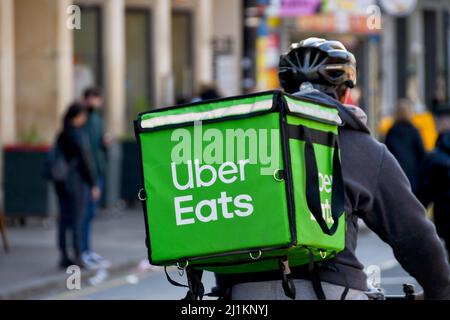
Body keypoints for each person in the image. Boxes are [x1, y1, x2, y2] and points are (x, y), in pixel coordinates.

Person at [216, 38, 450, 300]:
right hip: (330, 288)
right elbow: (413, 234)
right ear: (345, 93)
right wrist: (439, 290)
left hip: (241, 293)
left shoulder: (250, 144)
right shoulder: (361, 147)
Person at [54, 103, 100, 268]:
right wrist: (93, 183)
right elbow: (86, 161)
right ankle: (78, 255)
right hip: (76, 181)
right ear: (78, 116)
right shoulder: (79, 134)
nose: (85, 118)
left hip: (60, 181)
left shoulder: (62, 134)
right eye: (83, 115)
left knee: (64, 219)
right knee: (78, 219)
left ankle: (64, 255)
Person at [81, 87, 111, 269]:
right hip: (87, 175)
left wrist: (106, 142)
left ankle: (87, 250)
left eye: (98, 98)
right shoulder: (84, 119)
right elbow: (87, 152)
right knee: (85, 214)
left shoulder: (97, 119)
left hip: (97, 171)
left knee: (90, 214)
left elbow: (99, 145)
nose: (97, 102)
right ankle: (82, 251)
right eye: (94, 98)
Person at [417, 104, 450, 263]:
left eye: (437, 120)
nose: (435, 124)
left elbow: (425, 191)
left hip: (445, 216)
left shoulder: (437, 156)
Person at [385, 99, 426, 194]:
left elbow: (386, 153)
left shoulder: (391, 132)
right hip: (412, 173)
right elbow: (421, 153)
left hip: (396, 172)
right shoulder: (414, 131)